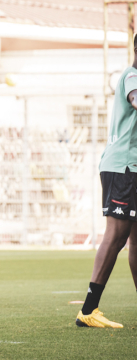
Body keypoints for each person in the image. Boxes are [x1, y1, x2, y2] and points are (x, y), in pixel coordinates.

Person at [76, 35, 137, 329]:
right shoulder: (132, 76)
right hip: (122, 166)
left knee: (135, 240)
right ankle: (88, 309)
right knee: (116, 235)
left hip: (131, 168)